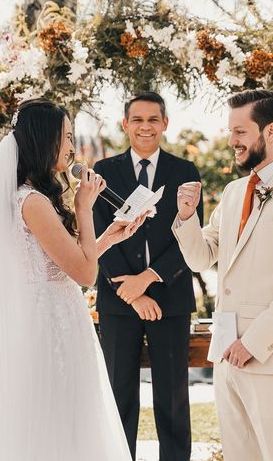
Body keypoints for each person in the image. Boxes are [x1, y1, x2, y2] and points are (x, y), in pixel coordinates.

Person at [0, 98, 146, 460]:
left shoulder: (34, 198)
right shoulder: (33, 202)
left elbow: (60, 264)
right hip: (48, 327)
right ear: (45, 140)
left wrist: (110, 238)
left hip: (57, 319)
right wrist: (84, 208)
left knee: (70, 420)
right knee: (57, 420)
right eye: (67, 137)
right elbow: (85, 274)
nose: (73, 147)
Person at [173, 89, 273, 460]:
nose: (232, 141)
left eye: (240, 132)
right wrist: (188, 216)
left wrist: (252, 343)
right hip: (227, 354)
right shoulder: (233, 192)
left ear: (270, 131)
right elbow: (200, 258)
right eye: (230, 131)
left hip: (271, 357)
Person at [92, 92, 203, 461]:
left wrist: (150, 278)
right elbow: (96, 233)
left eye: (153, 119)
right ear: (125, 124)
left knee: (172, 399)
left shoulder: (185, 172)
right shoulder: (104, 173)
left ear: (165, 124)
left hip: (170, 301)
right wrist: (132, 290)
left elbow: (189, 236)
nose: (145, 127)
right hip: (119, 302)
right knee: (119, 397)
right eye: (137, 119)